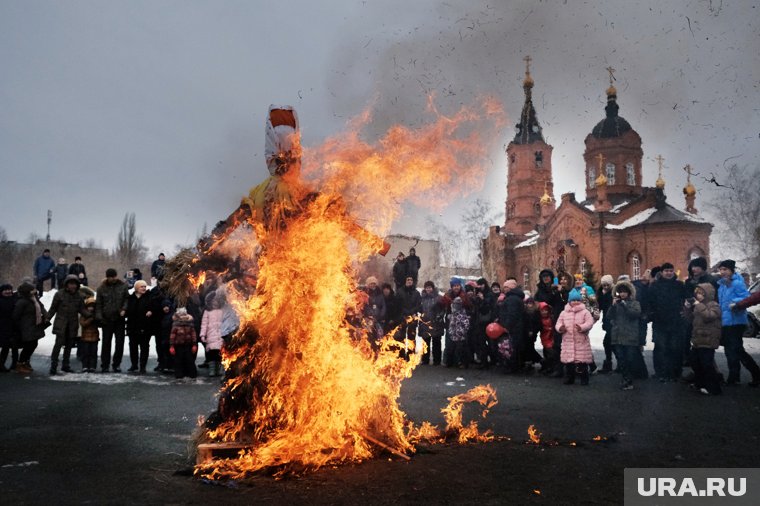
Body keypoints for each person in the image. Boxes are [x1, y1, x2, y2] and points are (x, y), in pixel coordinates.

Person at [717, 259, 760, 387]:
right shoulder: (722, 284)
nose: (722, 272)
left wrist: (735, 304)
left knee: (736, 350)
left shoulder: (737, 283)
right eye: (721, 269)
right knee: (730, 350)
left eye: (725, 269)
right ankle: (734, 377)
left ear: (732, 270)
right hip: (725, 322)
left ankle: (755, 374)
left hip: (736, 322)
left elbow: (746, 297)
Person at [648, 262, 686, 382]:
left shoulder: (679, 285)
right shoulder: (655, 286)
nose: (669, 273)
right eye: (666, 271)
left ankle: (675, 372)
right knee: (661, 347)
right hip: (660, 321)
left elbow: (685, 300)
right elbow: (650, 302)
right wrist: (652, 314)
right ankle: (661, 372)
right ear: (662, 272)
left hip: (676, 321)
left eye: (670, 271)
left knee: (675, 347)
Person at [684, 283, 722, 395]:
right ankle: (700, 384)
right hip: (698, 339)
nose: (698, 295)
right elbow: (690, 319)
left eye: (701, 293)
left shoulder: (714, 305)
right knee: (695, 362)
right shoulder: (698, 305)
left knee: (707, 365)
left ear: (708, 294)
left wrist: (698, 305)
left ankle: (714, 388)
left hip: (708, 339)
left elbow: (709, 316)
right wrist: (687, 308)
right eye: (697, 293)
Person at [47, 274, 86, 375]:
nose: (73, 286)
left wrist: (92, 315)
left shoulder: (79, 296)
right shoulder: (59, 294)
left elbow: (82, 310)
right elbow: (53, 309)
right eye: (71, 284)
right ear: (67, 284)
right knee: (58, 345)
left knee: (69, 346)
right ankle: (53, 366)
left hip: (72, 324)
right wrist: (46, 318)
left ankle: (65, 365)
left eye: (74, 284)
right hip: (61, 324)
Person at [607, 280, 642, 391]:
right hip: (618, 335)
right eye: (620, 292)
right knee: (621, 359)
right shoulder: (616, 304)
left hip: (630, 335)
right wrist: (613, 306)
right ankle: (625, 378)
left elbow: (635, 314)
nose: (622, 294)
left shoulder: (635, 303)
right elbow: (609, 316)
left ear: (629, 293)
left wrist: (625, 306)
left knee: (630, 359)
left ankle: (630, 379)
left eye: (624, 292)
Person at [555, 291, 595, 385]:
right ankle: (570, 378)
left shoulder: (585, 312)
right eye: (573, 300)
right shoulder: (564, 313)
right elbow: (558, 323)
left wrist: (582, 327)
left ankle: (584, 379)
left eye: (577, 300)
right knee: (569, 363)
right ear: (569, 301)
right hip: (568, 340)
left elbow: (589, 323)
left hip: (581, 340)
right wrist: (561, 328)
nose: (575, 302)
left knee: (582, 362)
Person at [96, 268, 129, 372]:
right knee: (106, 343)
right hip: (107, 320)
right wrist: (100, 317)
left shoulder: (123, 286)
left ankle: (116, 364)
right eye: (110, 277)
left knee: (119, 343)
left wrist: (124, 309)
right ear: (107, 277)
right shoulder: (101, 288)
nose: (112, 278)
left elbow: (126, 299)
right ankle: (105, 365)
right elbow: (98, 305)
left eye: (114, 276)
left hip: (119, 319)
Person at [12, 282, 47, 374]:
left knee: (33, 344)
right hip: (26, 327)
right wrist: (19, 326)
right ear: (27, 292)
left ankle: (24, 363)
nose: (34, 292)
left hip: (34, 326)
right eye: (32, 290)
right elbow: (15, 316)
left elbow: (41, 307)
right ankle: (20, 364)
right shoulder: (22, 302)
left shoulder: (33, 299)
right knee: (29, 345)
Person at [496, 278, 525, 373]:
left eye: (506, 287)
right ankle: (516, 366)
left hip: (513, 328)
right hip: (517, 327)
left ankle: (512, 367)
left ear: (511, 288)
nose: (504, 289)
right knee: (514, 347)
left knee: (511, 347)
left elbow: (512, 314)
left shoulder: (512, 299)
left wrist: (506, 326)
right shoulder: (515, 297)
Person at [126, 280, 153, 374]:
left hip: (145, 326)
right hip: (132, 326)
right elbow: (127, 310)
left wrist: (151, 311)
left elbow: (153, 307)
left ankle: (142, 366)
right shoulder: (131, 298)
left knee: (144, 347)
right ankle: (134, 365)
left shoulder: (149, 297)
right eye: (142, 287)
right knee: (133, 347)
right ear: (137, 288)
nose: (144, 288)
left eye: (145, 287)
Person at [396, 275, 421, 360]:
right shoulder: (400, 292)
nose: (409, 281)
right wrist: (405, 312)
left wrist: (412, 312)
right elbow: (398, 305)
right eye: (408, 280)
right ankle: (402, 356)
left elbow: (419, 305)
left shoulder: (416, 293)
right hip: (402, 317)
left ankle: (411, 356)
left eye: (411, 280)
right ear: (405, 281)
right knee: (402, 337)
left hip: (413, 317)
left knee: (411, 337)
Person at [418, 281, 444, 365]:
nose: (428, 289)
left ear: (432, 288)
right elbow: (419, 309)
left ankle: (437, 360)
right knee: (425, 342)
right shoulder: (422, 298)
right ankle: (425, 359)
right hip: (425, 322)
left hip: (436, 323)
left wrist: (439, 316)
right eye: (427, 287)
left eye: (430, 287)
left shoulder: (439, 297)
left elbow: (443, 308)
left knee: (436, 342)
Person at [200, 291, 224, 377]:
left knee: (220, 353)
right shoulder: (207, 312)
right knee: (212, 354)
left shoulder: (223, 311)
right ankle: (212, 370)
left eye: (217, 301)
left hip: (221, 335)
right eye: (213, 301)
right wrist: (203, 335)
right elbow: (204, 324)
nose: (215, 303)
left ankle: (220, 369)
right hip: (211, 335)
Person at [170, 307, 198, 379]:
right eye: (181, 315)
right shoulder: (175, 324)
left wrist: (194, 344)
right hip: (178, 345)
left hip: (188, 345)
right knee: (178, 360)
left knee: (189, 360)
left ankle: (192, 374)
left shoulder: (190, 324)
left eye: (184, 314)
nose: (183, 316)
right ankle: (179, 374)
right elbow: (172, 335)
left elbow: (193, 334)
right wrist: (172, 346)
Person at [597, 274, 615, 373]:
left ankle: (609, 364)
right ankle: (610, 364)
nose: (606, 287)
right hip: (607, 320)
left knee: (609, 343)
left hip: (613, 321)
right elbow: (600, 306)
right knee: (610, 343)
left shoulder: (614, 293)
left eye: (608, 285)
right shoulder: (601, 292)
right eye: (604, 285)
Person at [447, 297, 470, 368]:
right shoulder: (452, 314)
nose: (456, 306)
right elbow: (450, 325)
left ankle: (462, 363)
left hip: (461, 336)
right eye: (455, 304)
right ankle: (453, 362)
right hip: (453, 335)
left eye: (458, 304)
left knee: (461, 350)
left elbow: (466, 325)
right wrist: (450, 332)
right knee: (452, 349)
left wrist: (461, 332)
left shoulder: (463, 314)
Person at [362, 276, 386, 347]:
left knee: (379, 337)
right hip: (368, 320)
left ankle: (378, 352)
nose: (373, 285)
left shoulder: (380, 294)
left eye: (374, 283)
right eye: (371, 283)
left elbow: (383, 307)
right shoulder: (364, 294)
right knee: (368, 337)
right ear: (368, 284)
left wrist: (380, 316)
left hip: (378, 320)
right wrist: (368, 315)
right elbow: (364, 306)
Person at [0, 283, 19, 372]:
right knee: (6, 347)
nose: (8, 291)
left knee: (14, 346)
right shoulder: (2, 301)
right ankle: (1, 364)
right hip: (3, 327)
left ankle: (14, 364)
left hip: (13, 327)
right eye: (5, 290)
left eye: (9, 289)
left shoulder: (14, 299)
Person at [79, 297, 100, 373]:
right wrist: (90, 319)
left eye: (92, 306)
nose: (91, 308)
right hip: (85, 337)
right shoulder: (84, 315)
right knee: (86, 353)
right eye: (89, 306)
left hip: (94, 337)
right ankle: (85, 366)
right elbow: (83, 324)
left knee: (93, 353)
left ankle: (92, 366)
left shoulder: (96, 315)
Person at [537, 302, 557, 374]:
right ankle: (548, 367)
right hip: (545, 339)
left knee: (550, 354)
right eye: (542, 310)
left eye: (546, 310)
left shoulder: (551, 318)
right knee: (547, 353)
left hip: (550, 338)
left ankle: (550, 367)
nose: (545, 312)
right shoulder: (539, 319)